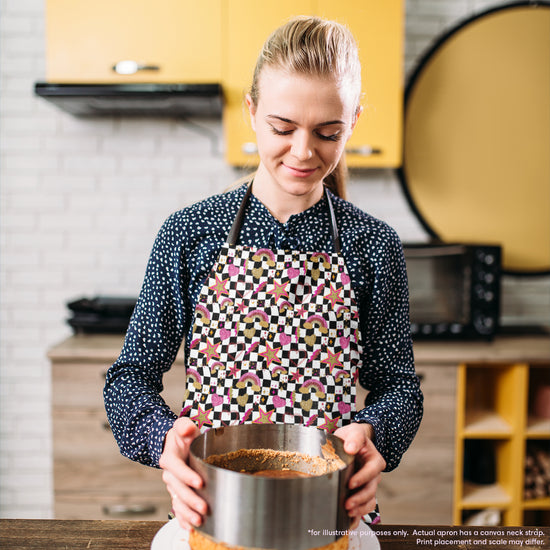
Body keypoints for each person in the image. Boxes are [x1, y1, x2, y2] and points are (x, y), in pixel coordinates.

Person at [104, 15, 423, 532]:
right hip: (215, 512)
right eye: (282, 128)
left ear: (354, 121)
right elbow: (129, 381)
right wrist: (165, 441)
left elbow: (399, 388)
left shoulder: (373, 246)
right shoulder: (190, 233)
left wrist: (378, 438)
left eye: (328, 132)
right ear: (251, 113)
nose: (303, 151)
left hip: (329, 513)